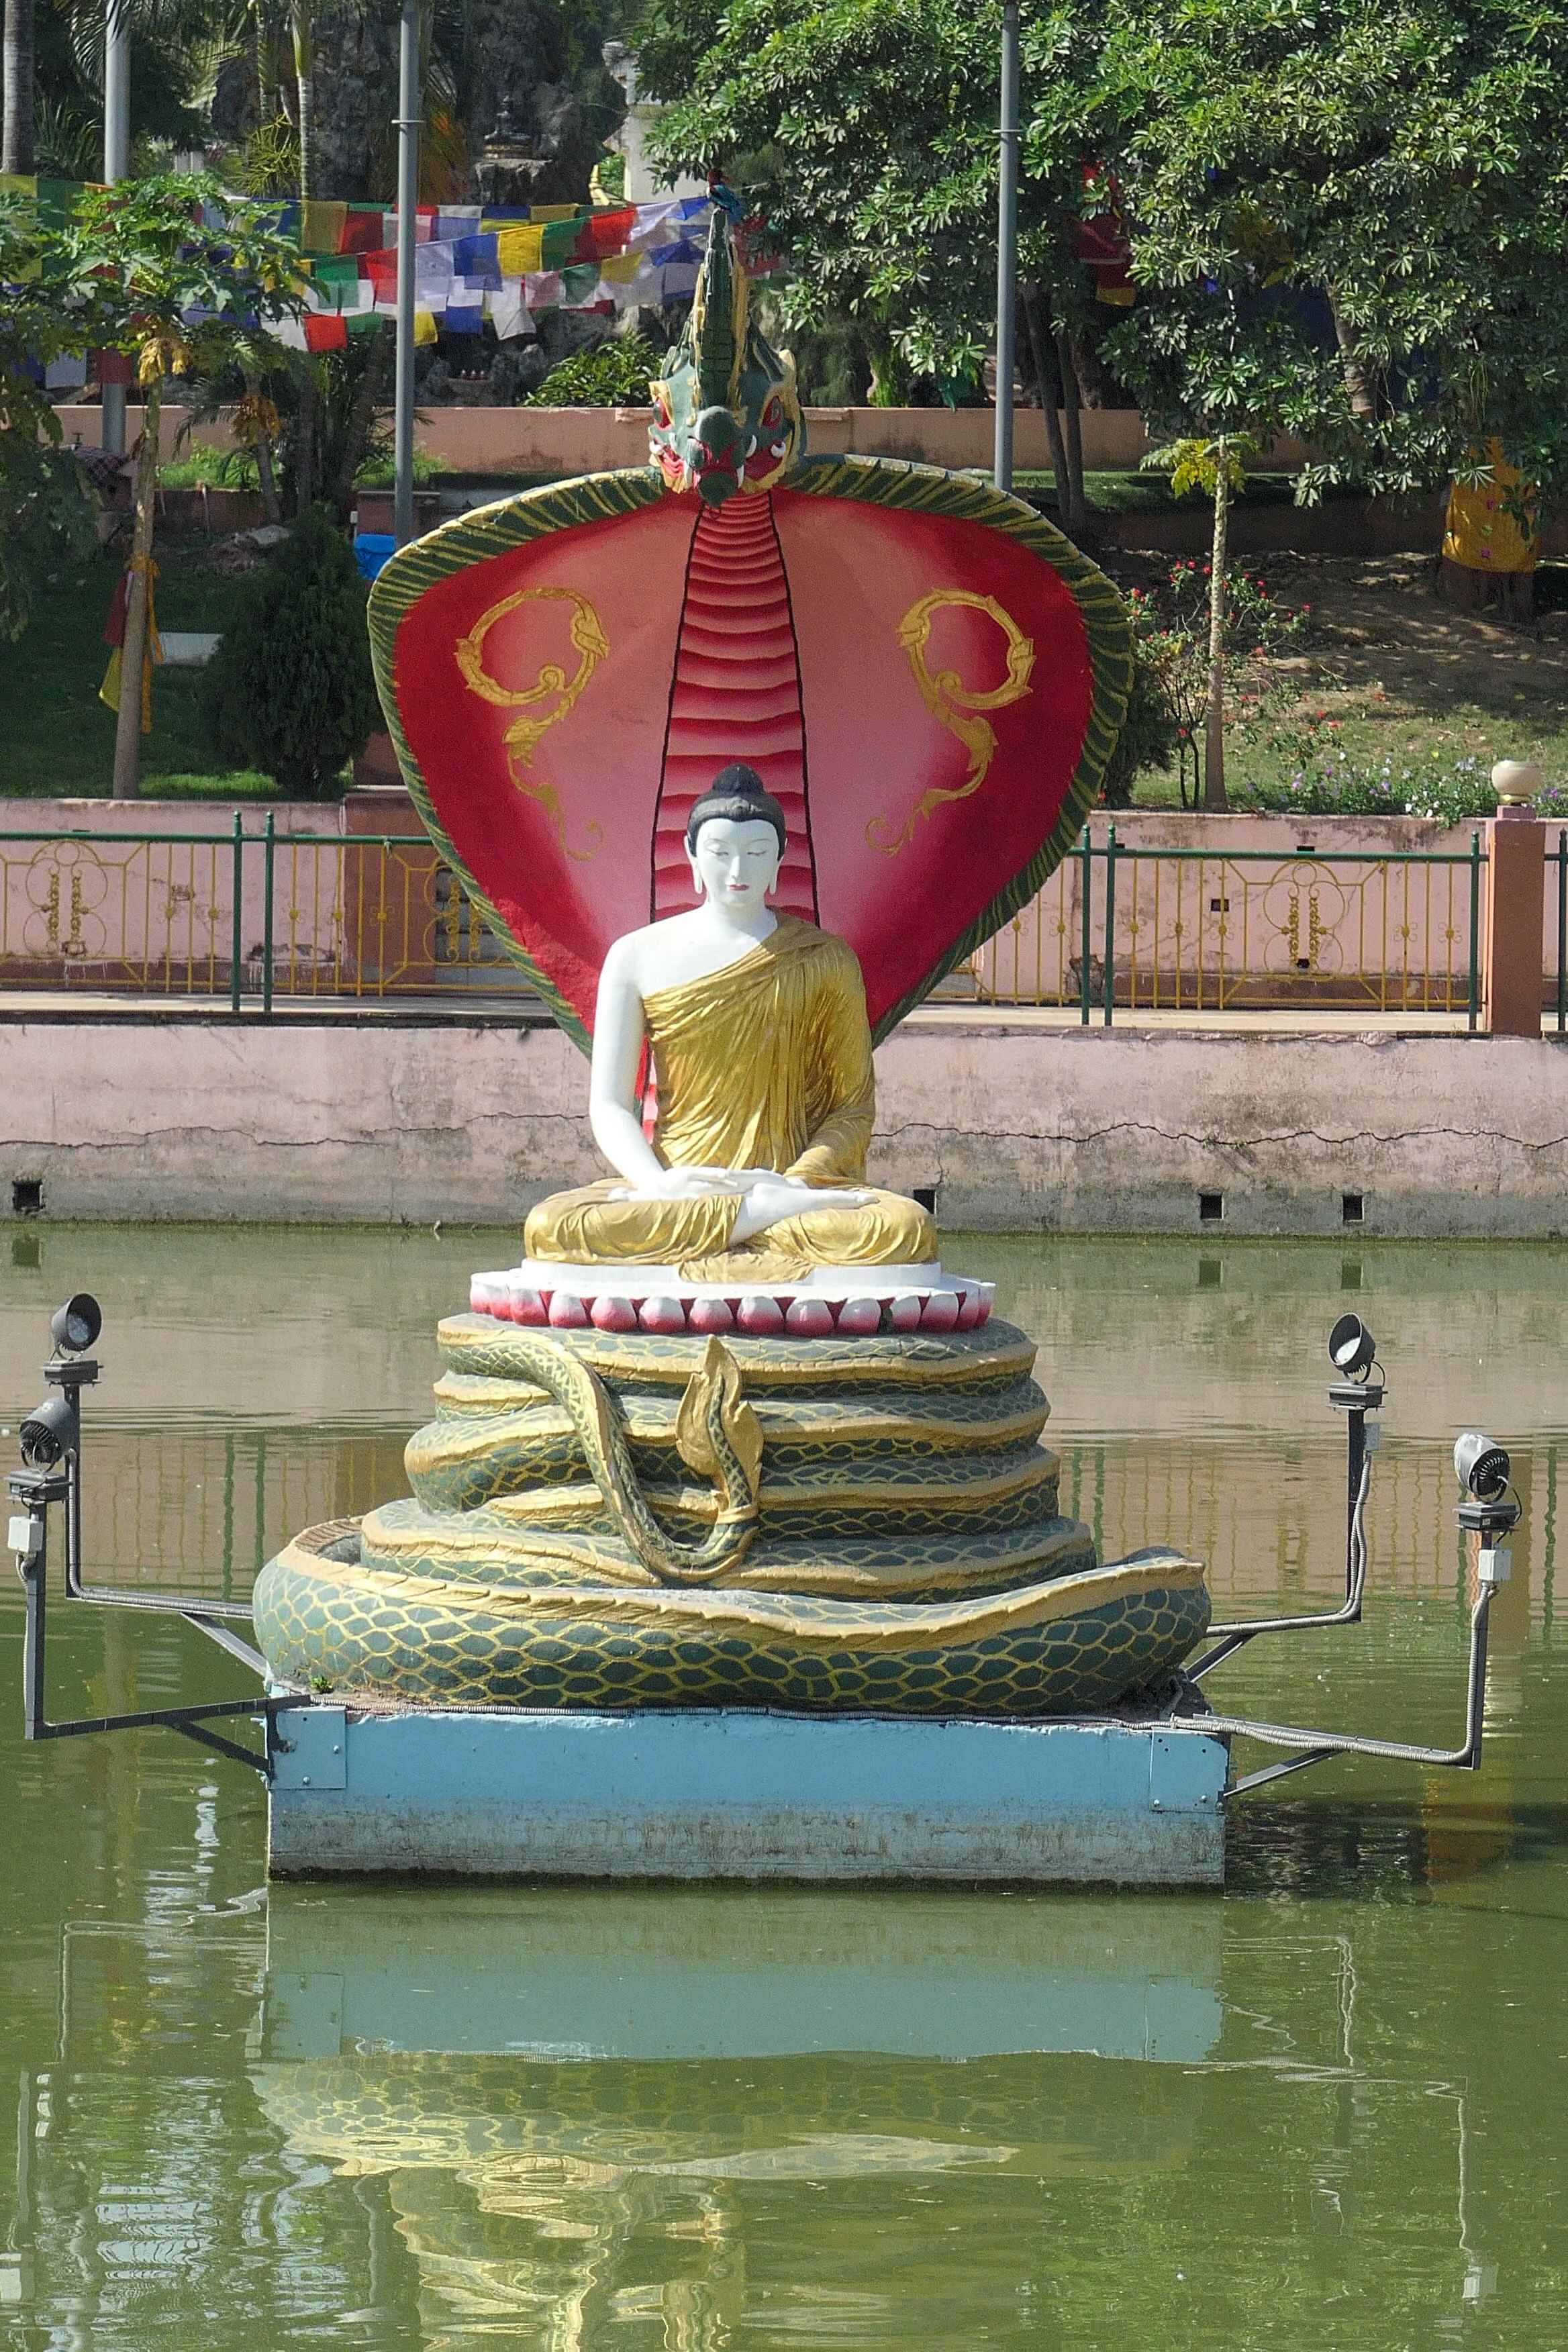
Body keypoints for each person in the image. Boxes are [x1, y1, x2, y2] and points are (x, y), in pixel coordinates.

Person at [524, 764, 936, 1278]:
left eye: (757, 852)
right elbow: (610, 1106)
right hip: (678, 1188)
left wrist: (799, 1185)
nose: (738, 869)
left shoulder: (825, 959)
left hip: (786, 1187)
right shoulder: (635, 956)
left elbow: (851, 1109)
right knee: (551, 1225)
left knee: (903, 1228)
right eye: (720, 853)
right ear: (693, 856)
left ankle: (758, 1212)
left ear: (780, 859)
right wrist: (655, 1185)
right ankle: (754, 1219)